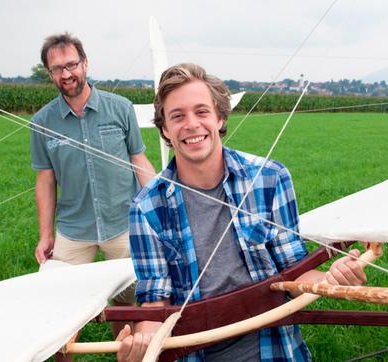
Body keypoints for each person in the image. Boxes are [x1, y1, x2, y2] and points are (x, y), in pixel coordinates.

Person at [117, 63, 367, 361]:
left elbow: (297, 273)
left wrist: (331, 281)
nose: (191, 124)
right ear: (165, 130)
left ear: (220, 117)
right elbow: (155, 304)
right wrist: (143, 345)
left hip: (276, 351)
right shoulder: (146, 207)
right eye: (177, 116)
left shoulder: (270, 178)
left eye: (202, 112)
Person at [29, 33, 155, 334]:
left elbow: (139, 161)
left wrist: (155, 213)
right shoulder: (42, 121)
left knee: (127, 307)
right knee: (59, 311)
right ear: (50, 73)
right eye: (57, 68)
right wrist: (45, 235)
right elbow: (45, 181)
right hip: (74, 229)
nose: (66, 73)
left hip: (122, 223)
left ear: (85, 63)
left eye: (72, 64)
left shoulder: (120, 108)